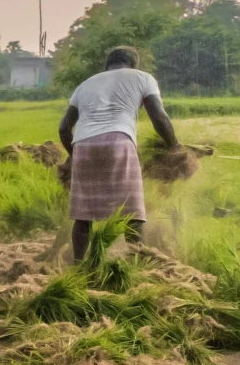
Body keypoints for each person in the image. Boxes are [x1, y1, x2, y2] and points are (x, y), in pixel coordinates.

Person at [57, 46, 177, 260]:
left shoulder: (85, 84)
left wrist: (74, 154)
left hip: (83, 144)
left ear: (107, 65)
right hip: (119, 141)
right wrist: (175, 147)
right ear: (133, 64)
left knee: (83, 217)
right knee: (133, 214)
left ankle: (78, 268)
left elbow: (64, 128)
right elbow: (159, 117)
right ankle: (133, 262)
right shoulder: (143, 78)